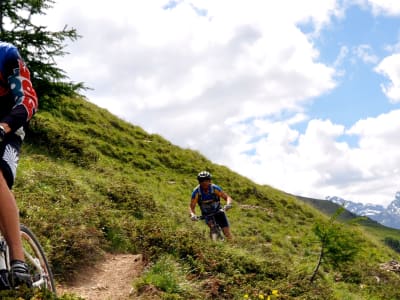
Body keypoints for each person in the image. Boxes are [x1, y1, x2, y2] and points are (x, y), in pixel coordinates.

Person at [0, 41, 38, 287]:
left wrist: (5, 126)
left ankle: (17, 257)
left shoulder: (7, 55)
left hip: (9, 130)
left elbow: (28, 99)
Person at [189, 171, 233, 241]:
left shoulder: (215, 188)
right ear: (199, 182)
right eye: (201, 180)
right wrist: (192, 215)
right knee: (213, 229)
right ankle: (215, 246)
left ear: (210, 181)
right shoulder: (196, 192)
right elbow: (191, 207)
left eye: (206, 180)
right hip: (207, 215)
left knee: (227, 233)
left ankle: (232, 248)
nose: (204, 182)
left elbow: (227, 197)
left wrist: (228, 204)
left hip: (219, 211)